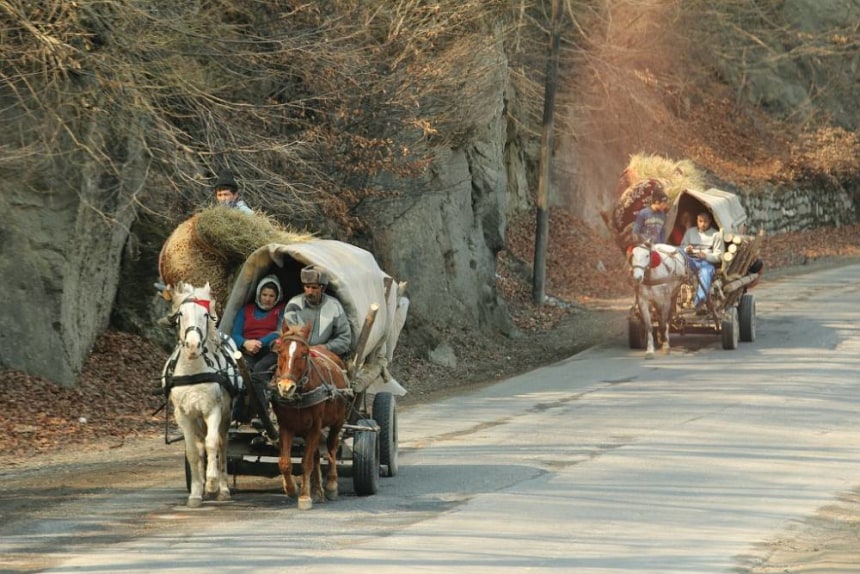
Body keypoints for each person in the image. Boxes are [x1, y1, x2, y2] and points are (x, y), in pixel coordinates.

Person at [231, 274, 285, 421]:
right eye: (264, 295)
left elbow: (279, 332)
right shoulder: (246, 310)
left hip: (270, 351)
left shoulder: (281, 310)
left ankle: (263, 415)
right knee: (242, 373)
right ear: (258, 294)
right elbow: (235, 333)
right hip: (247, 350)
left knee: (259, 372)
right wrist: (245, 343)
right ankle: (237, 416)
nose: (267, 299)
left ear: (277, 297)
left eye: (271, 296)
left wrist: (259, 343)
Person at [283, 265, 352, 359]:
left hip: (324, 356)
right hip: (297, 355)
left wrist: (326, 347)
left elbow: (344, 339)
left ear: (323, 289)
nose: (310, 292)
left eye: (314, 288)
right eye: (307, 287)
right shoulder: (294, 305)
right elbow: (288, 335)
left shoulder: (334, 306)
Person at [681, 211, 725, 314]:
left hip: (706, 263)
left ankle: (699, 302)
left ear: (710, 221)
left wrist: (706, 256)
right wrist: (687, 249)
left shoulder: (716, 235)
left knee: (705, 272)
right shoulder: (690, 232)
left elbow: (719, 256)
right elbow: (682, 247)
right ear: (697, 221)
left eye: (705, 221)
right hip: (691, 260)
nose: (702, 224)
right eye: (700, 221)